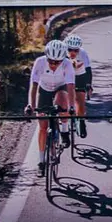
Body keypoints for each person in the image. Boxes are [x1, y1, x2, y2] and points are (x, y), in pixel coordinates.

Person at [26, 39, 76, 175]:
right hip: (44, 89)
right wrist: (31, 105)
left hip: (61, 87)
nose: (53, 65)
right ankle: (41, 161)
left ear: (63, 60)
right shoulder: (40, 62)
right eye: (51, 61)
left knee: (62, 101)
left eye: (57, 62)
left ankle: (65, 131)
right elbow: (34, 85)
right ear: (47, 57)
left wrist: (72, 107)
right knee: (42, 127)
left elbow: (71, 87)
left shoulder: (67, 64)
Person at [64, 34, 92, 138]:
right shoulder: (61, 53)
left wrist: (89, 84)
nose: (73, 53)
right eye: (70, 49)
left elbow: (88, 70)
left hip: (80, 76)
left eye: (76, 50)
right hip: (66, 76)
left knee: (80, 101)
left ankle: (81, 120)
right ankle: (64, 128)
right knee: (64, 101)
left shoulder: (83, 53)